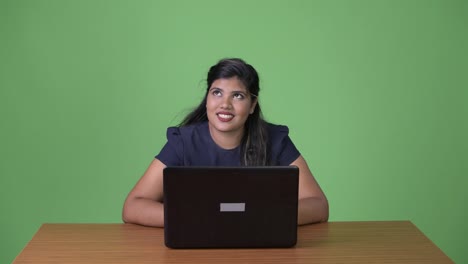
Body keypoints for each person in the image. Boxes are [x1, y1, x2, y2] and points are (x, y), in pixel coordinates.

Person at [122, 58, 328, 227]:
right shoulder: (183, 142)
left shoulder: (276, 140)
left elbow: (318, 205)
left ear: (252, 105)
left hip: (258, 248)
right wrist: (198, 218)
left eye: (237, 96)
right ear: (207, 98)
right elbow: (133, 206)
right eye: (217, 93)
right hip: (195, 247)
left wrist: (264, 216)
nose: (225, 104)